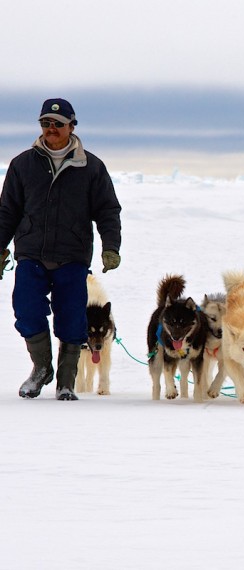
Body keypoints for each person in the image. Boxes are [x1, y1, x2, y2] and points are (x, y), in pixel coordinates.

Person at [0, 98, 122, 400]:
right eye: (45, 123)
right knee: (26, 311)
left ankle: (67, 380)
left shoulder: (91, 167)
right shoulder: (22, 165)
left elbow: (107, 209)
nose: (51, 128)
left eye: (58, 123)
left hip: (72, 254)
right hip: (31, 252)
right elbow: (7, 211)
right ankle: (41, 368)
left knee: (72, 318)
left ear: (71, 126)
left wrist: (111, 247)